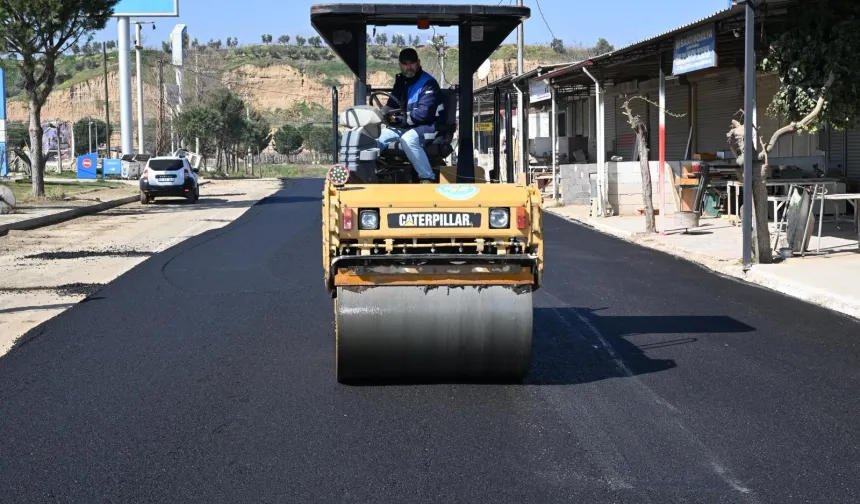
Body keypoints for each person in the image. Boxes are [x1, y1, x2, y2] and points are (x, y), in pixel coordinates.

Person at [378, 48, 446, 183]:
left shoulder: (428, 83)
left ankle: (427, 178)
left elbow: (423, 114)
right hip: (408, 126)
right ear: (400, 65)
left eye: (412, 63)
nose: (409, 67)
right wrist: (383, 113)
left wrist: (399, 120)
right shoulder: (401, 81)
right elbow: (391, 104)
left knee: (408, 139)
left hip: (431, 126)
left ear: (418, 63)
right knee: (378, 137)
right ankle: (371, 174)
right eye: (405, 63)